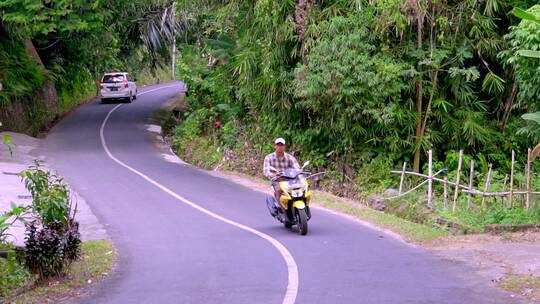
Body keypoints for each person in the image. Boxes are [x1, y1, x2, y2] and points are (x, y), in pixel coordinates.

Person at [263, 138, 300, 217]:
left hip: (289, 179)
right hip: (277, 180)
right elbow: (266, 171)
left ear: (284, 146)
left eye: (282, 145)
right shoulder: (268, 157)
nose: (280, 147)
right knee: (279, 190)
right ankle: (282, 211)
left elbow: (297, 168)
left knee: (299, 188)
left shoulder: (289, 158)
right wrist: (272, 175)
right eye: (278, 145)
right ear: (275, 146)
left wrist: (299, 172)